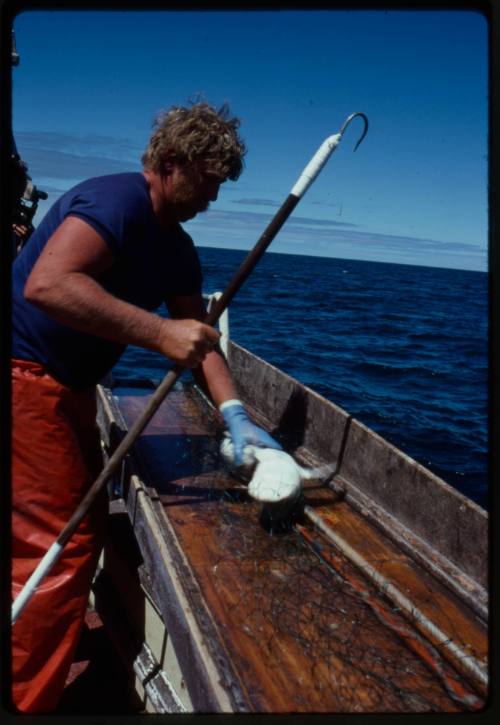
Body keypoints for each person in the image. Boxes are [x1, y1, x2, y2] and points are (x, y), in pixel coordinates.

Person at [11, 101, 281, 713]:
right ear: (171, 161)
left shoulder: (178, 250)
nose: (215, 194)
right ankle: (25, 698)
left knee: (65, 525)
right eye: (209, 177)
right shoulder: (117, 203)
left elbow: (199, 336)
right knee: (64, 540)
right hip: (24, 377)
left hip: (66, 390)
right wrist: (159, 336)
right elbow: (48, 284)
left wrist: (238, 415)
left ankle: (42, 637)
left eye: (222, 182)